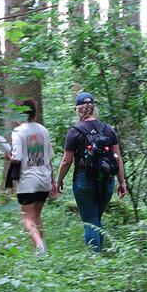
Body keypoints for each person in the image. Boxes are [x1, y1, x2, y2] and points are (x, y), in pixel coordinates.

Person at [56, 92, 126, 253]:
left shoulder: (75, 132)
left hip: (83, 181)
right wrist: (121, 182)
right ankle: (100, 259)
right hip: (107, 180)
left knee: (90, 221)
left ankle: (96, 262)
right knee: (96, 219)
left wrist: (59, 181)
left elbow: (66, 161)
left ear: (78, 110)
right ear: (94, 108)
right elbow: (118, 159)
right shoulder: (108, 129)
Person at [8, 99, 55, 254]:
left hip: (28, 180)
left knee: (27, 217)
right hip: (44, 179)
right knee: (37, 216)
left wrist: (7, 155)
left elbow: (16, 158)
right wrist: (53, 182)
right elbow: (49, 159)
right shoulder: (43, 130)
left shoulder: (18, 131)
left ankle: (40, 246)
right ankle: (39, 250)